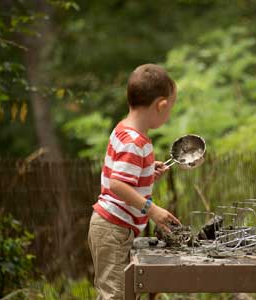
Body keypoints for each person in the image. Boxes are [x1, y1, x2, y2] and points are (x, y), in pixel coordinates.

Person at [88, 64, 180, 300]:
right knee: (117, 295)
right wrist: (152, 210)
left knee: (116, 293)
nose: (170, 112)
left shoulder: (124, 129)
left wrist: (147, 170)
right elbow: (117, 184)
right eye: (171, 107)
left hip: (114, 228)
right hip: (112, 229)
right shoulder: (135, 142)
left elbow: (126, 173)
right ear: (161, 105)